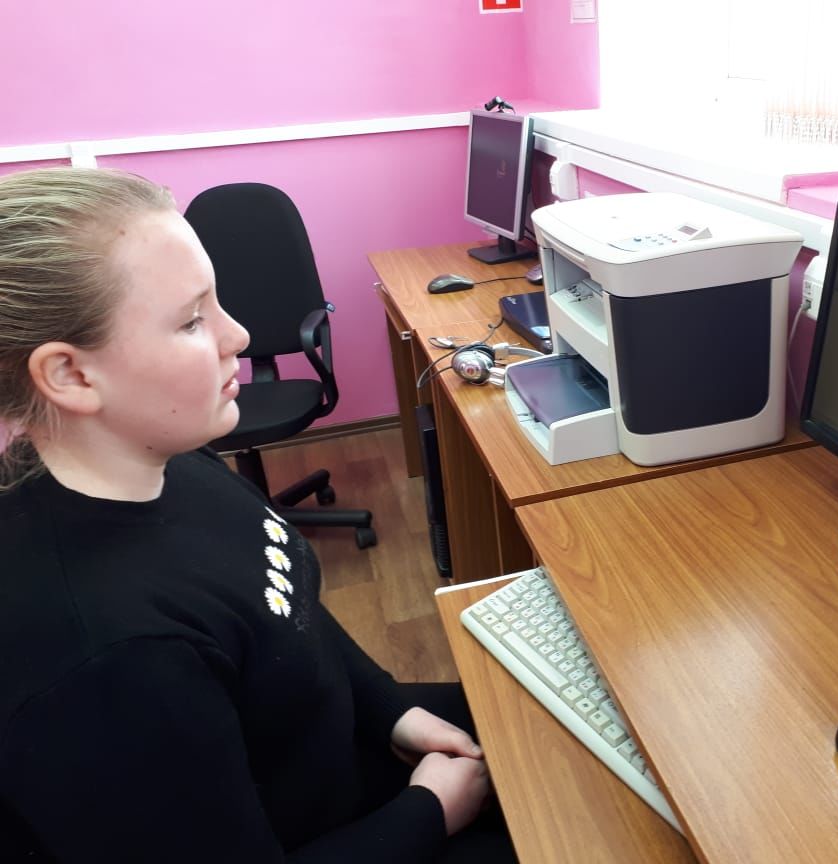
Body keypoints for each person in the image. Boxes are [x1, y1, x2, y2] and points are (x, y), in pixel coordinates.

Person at [0, 167, 516, 862]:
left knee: (568, 734)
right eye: (191, 321)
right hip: (348, 831)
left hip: (341, 747)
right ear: (70, 374)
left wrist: (391, 708)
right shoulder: (105, 661)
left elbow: (285, 610)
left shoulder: (172, 458)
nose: (238, 335)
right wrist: (429, 814)